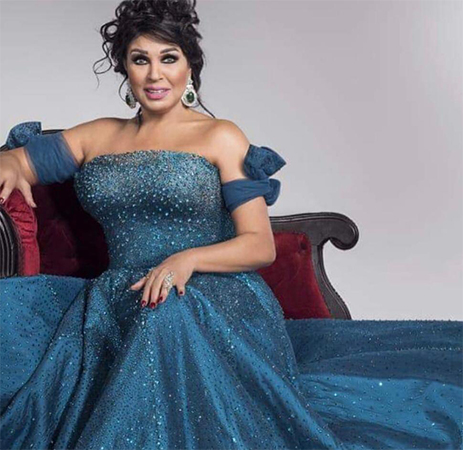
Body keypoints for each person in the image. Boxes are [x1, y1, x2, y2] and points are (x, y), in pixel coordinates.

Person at [0, 1, 461, 449]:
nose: (155, 74)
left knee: (165, 316)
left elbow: (260, 245)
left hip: (210, 294)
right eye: (141, 59)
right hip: (120, 293)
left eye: (168, 58)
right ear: (125, 67)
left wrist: (186, 260)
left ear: (189, 67)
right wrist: (14, 165)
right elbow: (16, 161)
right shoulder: (95, 136)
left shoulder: (220, 136)